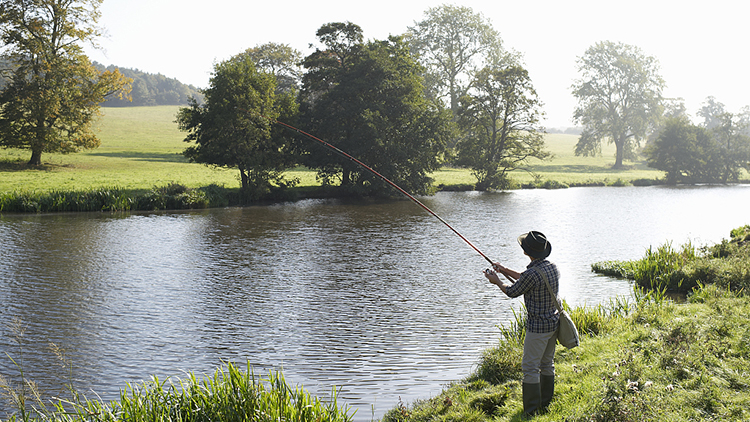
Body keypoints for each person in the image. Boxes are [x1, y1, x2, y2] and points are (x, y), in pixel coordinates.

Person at [483, 230, 560, 416]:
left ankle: (531, 411)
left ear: (526, 252)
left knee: (530, 367)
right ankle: (545, 403)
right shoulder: (551, 267)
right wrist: (503, 269)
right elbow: (525, 277)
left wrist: (497, 281)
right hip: (553, 323)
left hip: (538, 328)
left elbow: (512, 291)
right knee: (547, 363)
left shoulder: (532, 274)